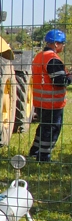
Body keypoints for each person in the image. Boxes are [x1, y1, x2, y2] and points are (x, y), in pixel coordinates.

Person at [29, 28, 72, 162]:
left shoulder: (39, 56)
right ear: (56, 44)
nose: (63, 46)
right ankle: (44, 157)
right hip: (52, 102)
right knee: (52, 129)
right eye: (62, 43)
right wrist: (69, 77)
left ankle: (34, 151)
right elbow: (60, 81)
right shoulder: (52, 59)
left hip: (40, 101)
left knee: (43, 127)